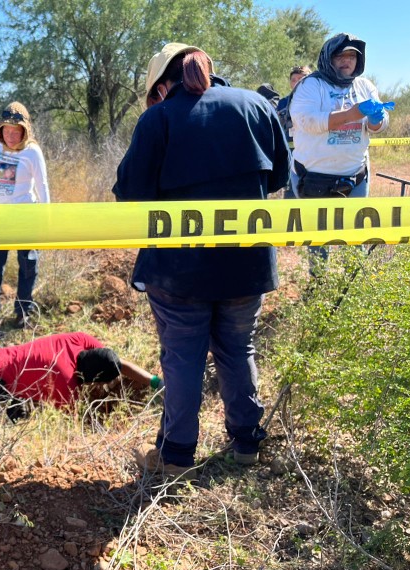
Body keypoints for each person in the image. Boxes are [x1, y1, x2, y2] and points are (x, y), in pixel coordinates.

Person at [112, 43, 291, 478]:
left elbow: (129, 193)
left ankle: (175, 455)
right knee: (237, 347)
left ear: (161, 86)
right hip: (247, 264)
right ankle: (246, 443)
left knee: (183, 357)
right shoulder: (255, 106)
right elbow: (281, 177)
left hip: (179, 271)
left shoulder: (158, 119)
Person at [288, 33, 392, 268]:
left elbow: (379, 125)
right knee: (318, 236)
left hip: (355, 176)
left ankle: (353, 282)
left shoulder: (364, 85)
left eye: (352, 56)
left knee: (355, 234)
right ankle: (319, 284)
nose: (347, 61)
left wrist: (377, 119)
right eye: (341, 55)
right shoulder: (311, 85)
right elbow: (308, 121)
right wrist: (351, 115)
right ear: (328, 58)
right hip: (313, 178)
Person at [0, 102, 51, 329]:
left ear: (24, 131)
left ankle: (23, 310)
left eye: (16, 131)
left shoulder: (32, 151)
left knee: (27, 264)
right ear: (0, 130)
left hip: (25, 216)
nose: (11, 135)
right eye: (7, 130)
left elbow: (42, 186)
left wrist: (47, 220)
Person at [0, 332, 159, 421]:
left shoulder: (80, 339)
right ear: (93, 379)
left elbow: (119, 363)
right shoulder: (66, 386)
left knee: (23, 408)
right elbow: (71, 422)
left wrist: (155, 382)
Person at [276, 65, 312, 199]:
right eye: (293, 79)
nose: (296, 82)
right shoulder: (283, 102)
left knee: (313, 187)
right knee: (291, 189)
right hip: (291, 152)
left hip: (312, 152)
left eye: (301, 79)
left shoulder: (317, 100)